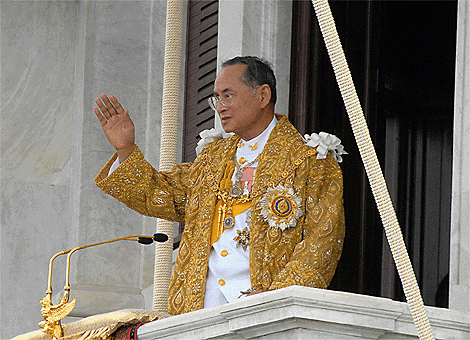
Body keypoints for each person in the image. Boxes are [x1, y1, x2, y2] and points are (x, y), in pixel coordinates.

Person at [94, 56, 345, 315]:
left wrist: (277, 297)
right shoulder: (213, 158)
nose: (220, 107)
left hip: (265, 310)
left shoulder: (309, 160)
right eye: (216, 98)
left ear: (263, 96)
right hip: (199, 309)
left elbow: (322, 242)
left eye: (228, 95)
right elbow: (162, 195)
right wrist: (125, 149)